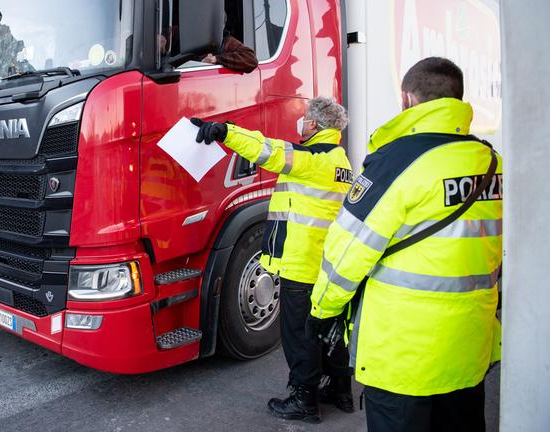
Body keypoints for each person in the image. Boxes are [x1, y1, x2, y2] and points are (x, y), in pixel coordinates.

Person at [307, 57, 502, 432]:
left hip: (403, 353)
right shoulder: (491, 161)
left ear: (407, 100)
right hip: (468, 347)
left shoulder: (397, 162)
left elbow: (347, 250)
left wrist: (321, 311)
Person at [191, 96, 353, 423]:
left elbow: (267, 150)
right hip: (325, 262)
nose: (301, 122)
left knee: (299, 335)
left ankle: (303, 400)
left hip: (301, 263)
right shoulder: (340, 160)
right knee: (326, 330)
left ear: (314, 125)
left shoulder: (312, 158)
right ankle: (340, 391)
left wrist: (224, 132)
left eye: (305, 117)